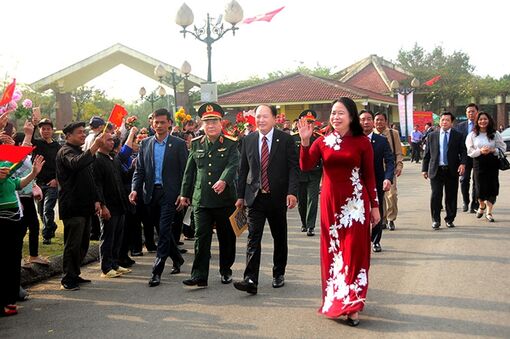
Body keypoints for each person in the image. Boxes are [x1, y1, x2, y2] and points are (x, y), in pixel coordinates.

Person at [298, 97, 379, 326]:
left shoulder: (362, 142)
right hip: (331, 206)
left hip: (356, 206)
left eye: (341, 113)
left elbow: (370, 175)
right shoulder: (322, 142)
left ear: (351, 116)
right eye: (333, 113)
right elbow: (305, 166)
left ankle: (353, 305)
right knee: (335, 254)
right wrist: (305, 142)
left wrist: (375, 206)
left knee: (354, 252)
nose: (336, 117)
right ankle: (336, 300)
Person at [233, 104, 298, 295]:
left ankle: (279, 273)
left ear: (274, 118)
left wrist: (292, 192)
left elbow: (293, 168)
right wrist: (240, 196)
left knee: (280, 237)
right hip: (255, 197)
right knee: (253, 238)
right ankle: (250, 278)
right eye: (258, 117)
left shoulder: (285, 139)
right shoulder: (248, 140)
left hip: (277, 197)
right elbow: (243, 169)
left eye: (265, 117)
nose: (260, 120)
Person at [178, 103, 239, 287]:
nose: (211, 125)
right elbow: (190, 171)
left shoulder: (230, 143)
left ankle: (226, 270)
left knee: (226, 238)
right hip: (202, 199)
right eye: (207, 122)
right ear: (202, 124)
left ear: (221, 123)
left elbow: (233, 164)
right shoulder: (196, 144)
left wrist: (224, 180)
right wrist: (184, 194)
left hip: (225, 199)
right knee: (201, 239)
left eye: (214, 121)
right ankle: (199, 275)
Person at [130, 108, 188, 287]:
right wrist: (134, 189)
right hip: (150, 194)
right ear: (151, 124)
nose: (160, 126)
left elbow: (185, 172)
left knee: (163, 230)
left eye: (163, 122)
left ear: (170, 123)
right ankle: (177, 259)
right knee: (162, 230)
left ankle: (157, 270)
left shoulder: (178, 144)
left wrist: (184, 194)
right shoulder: (146, 143)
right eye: (156, 122)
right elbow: (139, 170)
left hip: (170, 194)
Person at [56, 122, 105, 290]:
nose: (83, 135)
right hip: (72, 206)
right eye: (79, 133)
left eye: (84, 132)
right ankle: (67, 278)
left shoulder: (81, 152)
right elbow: (75, 164)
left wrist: (97, 200)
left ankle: (74, 273)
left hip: (85, 205)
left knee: (83, 243)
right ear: (68, 136)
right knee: (73, 243)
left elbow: (90, 180)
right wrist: (94, 148)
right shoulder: (65, 152)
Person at [0, 153, 45, 316]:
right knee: (4, 263)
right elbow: (16, 164)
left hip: (14, 221)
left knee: (12, 261)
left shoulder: (4, 165)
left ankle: (8, 299)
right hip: (3, 221)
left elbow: (17, 183)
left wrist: (33, 173)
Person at [94, 133, 132, 278]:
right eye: (108, 139)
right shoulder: (97, 160)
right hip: (108, 205)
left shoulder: (113, 158)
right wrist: (103, 205)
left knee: (118, 236)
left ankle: (114, 263)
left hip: (120, 204)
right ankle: (106, 267)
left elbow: (123, 177)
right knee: (108, 236)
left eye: (112, 139)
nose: (112, 142)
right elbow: (97, 185)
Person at [422, 112, 466, 230]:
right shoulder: (432, 135)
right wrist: (424, 169)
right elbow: (427, 154)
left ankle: (450, 219)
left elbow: (463, 151)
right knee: (436, 195)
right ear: (439, 121)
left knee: (451, 195)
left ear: (451, 122)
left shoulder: (458, 135)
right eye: (442, 120)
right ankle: (436, 220)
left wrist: (462, 164)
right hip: (436, 170)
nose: (444, 122)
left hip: (451, 169)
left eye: (447, 120)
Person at [359, 110, 394, 252]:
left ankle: (375, 240)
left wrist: (388, 178)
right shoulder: (353, 140)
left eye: (368, 119)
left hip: (377, 182)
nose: (365, 122)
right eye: (362, 119)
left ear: (373, 121)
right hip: (357, 182)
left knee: (377, 210)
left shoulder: (381, 140)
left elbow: (390, 161)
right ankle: (360, 240)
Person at [465, 112, 506, 222]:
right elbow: (470, 151)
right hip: (479, 163)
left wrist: (493, 150)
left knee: (492, 187)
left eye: (485, 119)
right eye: (480, 119)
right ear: (477, 121)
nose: (483, 121)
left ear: (489, 120)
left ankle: (489, 212)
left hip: (492, 163)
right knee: (479, 187)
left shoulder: (495, 133)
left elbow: (502, 148)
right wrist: (480, 151)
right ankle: (481, 205)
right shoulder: (473, 135)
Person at [291, 109, 322, 236]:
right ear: (300, 122)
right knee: (302, 201)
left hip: (314, 173)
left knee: (312, 199)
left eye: (311, 122)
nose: (309, 124)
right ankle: (304, 223)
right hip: (299, 174)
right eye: (306, 121)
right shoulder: (292, 138)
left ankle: (310, 226)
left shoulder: (319, 138)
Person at [32, 118, 61, 245]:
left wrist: (56, 180)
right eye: (43, 129)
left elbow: (61, 165)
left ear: (52, 130)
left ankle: (47, 236)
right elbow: (30, 138)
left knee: (47, 209)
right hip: (38, 183)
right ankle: (51, 226)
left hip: (52, 183)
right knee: (40, 211)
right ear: (40, 130)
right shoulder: (37, 144)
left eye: (48, 129)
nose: (46, 131)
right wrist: (33, 124)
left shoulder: (58, 146)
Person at [374, 112, 403, 230]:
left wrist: (399, 165)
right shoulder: (370, 135)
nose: (379, 122)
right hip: (375, 170)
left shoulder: (393, 133)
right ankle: (383, 219)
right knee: (379, 196)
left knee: (392, 195)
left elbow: (398, 152)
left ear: (386, 121)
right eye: (377, 120)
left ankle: (391, 218)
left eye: (381, 120)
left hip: (389, 170)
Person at [455, 103, 479, 213]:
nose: (471, 113)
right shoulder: (460, 126)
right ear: (466, 113)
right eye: (469, 111)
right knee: (464, 180)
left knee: (477, 181)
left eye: (473, 111)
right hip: (465, 158)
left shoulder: (482, 125)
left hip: (478, 157)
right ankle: (466, 201)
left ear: (477, 112)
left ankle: (475, 203)